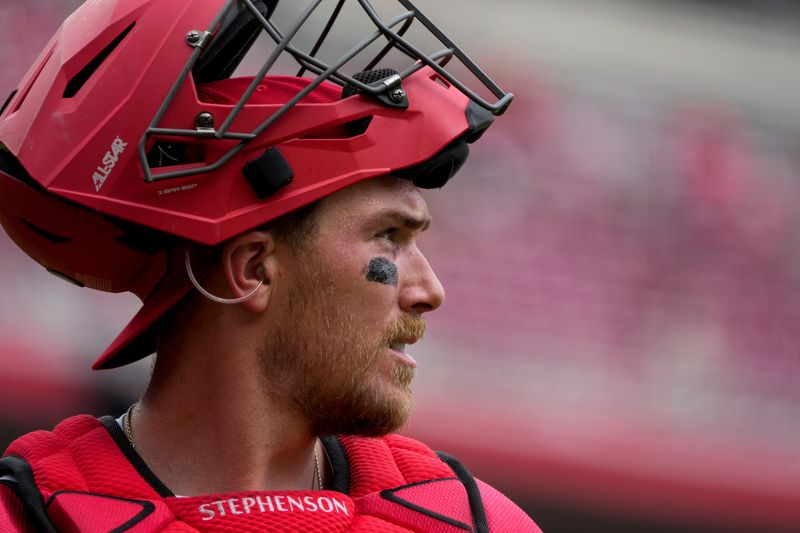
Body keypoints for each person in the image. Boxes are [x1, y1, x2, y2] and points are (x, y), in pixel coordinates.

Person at [0, 0, 539, 531]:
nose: (430, 291)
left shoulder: (478, 521)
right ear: (253, 269)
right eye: (388, 238)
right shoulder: (26, 517)